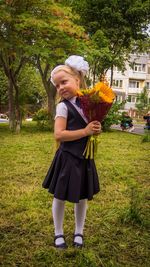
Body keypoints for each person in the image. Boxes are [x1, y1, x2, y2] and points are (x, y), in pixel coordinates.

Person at [42, 55, 101, 249]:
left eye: (64, 82)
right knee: (59, 196)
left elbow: (90, 126)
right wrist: (84, 131)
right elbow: (59, 134)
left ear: (78, 79)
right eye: (57, 85)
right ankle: (58, 232)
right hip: (67, 159)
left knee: (82, 197)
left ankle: (79, 231)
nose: (61, 88)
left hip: (84, 158)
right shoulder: (62, 106)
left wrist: (95, 129)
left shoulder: (88, 104)